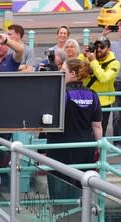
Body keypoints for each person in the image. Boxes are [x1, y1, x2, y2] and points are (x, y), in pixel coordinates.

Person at [47, 59, 103, 199]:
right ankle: (81, 219)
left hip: (60, 148)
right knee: (83, 192)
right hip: (86, 149)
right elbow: (97, 126)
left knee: (60, 194)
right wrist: (99, 148)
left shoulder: (62, 94)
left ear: (72, 74)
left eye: (63, 71)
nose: (60, 73)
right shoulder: (93, 94)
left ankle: (61, 219)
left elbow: (49, 122)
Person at [82, 37, 120, 136]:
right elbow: (78, 69)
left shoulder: (114, 64)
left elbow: (104, 78)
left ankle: (98, 151)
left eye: (102, 47)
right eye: (96, 46)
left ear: (108, 49)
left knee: (99, 132)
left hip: (103, 103)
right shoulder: (90, 58)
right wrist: (83, 55)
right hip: (87, 100)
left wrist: (93, 62)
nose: (98, 49)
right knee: (84, 131)